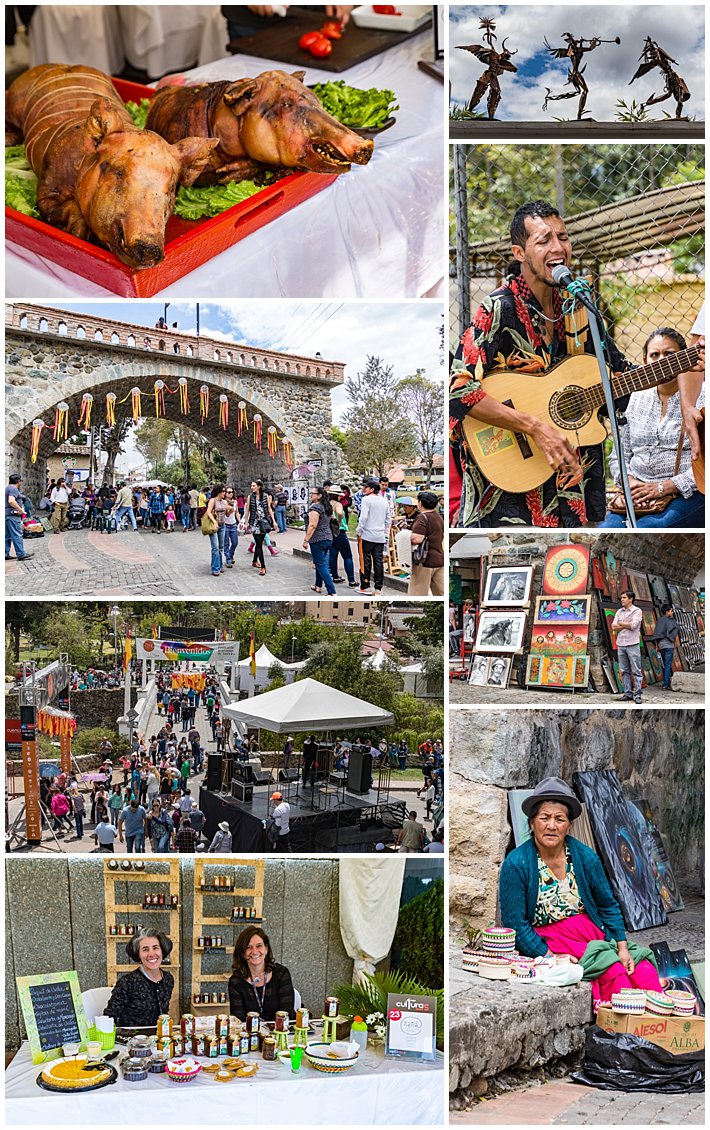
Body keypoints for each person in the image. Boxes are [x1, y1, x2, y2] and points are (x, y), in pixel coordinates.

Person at [450, 199, 632, 528]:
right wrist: (536, 427)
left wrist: (679, 369)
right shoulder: (498, 309)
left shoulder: (582, 308)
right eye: (544, 240)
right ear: (519, 253)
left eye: (563, 237)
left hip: (573, 490)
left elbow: (621, 382)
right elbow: (458, 390)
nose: (558, 247)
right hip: (509, 493)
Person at [499, 777, 665, 1007]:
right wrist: (548, 957)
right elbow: (516, 924)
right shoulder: (516, 864)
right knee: (612, 971)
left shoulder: (585, 857)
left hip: (588, 934)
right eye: (544, 818)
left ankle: (659, 1025)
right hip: (548, 939)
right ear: (532, 823)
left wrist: (622, 946)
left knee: (642, 968)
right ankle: (625, 1028)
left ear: (569, 825)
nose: (551, 825)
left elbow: (607, 904)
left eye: (560, 819)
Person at [600, 328, 705, 528]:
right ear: (645, 361)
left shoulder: (700, 398)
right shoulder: (637, 397)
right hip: (639, 496)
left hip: (686, 493)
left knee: (647, 529)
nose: (662, 362)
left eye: (669, 355)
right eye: (655, 355)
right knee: (608, 529)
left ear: (684, 358)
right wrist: (630, 484)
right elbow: (618, 456)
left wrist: (663, 487)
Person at [104, 929, 175, 1026]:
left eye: (155, 948)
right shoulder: (127, 982)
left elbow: (163, 1013)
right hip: (131, 1039)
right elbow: (109, 1017)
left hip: (159, 1038)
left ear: (162, 950)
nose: (151, 954)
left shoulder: (168, 979)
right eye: (145, 949)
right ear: (138, 954)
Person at [228, 926, 295, 1022]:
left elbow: (287, 1013)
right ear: (242, 953)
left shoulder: (281, 973)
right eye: (248, 947)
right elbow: (238, 1020)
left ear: (266, 949)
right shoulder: (236, 981)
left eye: (259, 946)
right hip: (250, 1033)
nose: (254, 951)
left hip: (278, 1032)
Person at [356, 479, 391, 595]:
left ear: (371, 489)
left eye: (366, 487)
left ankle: (365, 585)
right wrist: (385, 532)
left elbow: (363, 517)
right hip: (380, 535)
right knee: (378, 562)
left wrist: (359, 530)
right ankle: (378, 588)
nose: (364, 489)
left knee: (365, 560)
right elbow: (388, 520)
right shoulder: (384, 501)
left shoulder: (366, 500)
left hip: (367, 534)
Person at [408, 490, 445, 596]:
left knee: (417, 593)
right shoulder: (438, 517)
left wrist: (404, 535)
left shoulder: (422, 518)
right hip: (439, 560)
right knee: (440, 593)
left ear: (420, 503)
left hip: (424, 561)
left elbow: (417, 539)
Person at [303, 485, 336, 595]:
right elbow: (333, 519)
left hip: (317, 539)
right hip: (328, 537)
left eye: (313, 493)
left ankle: (332, 591)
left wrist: (306, 540)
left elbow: (312, 525)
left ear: (319, 496)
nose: (311, 495)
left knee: (321, 565)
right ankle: (318, 585)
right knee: (320, 563)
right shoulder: (327, 507)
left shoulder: (315, 508)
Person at [612, 590, 644, 704]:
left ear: (631, 599)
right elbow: (613, 626)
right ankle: (627, 693)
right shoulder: (619, 611)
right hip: (621, 643)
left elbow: (634, 626)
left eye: (624, 597)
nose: (622, 599)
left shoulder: (637, 611)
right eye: (621, 597)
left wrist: (621, 623)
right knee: (624, 670)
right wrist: (625, 624)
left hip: (632, 643)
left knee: (636, 669)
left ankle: (638, 693)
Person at [243, 479, 276, 576]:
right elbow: (247, 510)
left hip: (264, 522)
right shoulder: (250, 497)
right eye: (251, 485)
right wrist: (246, 523)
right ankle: (263, 566)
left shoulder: (266, 496)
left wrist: (274, 521)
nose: (251, 487)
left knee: (259, 543)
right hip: (254, 523)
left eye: (253, 486)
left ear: (259, 486)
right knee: (259, 543)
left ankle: (254, 561)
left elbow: (269, 509)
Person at [328, 488, 357, 586]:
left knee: (333, 555)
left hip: (330, 531)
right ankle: (351, 580)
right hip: (340, 531)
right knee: (347, 556)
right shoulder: (337, 504)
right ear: (337, 495)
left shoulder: (327, 504)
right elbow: (340, 513)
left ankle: (334, 576)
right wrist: (339, 521)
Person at [650, 603, 680, 690]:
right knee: (667, 664)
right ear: (667, 612)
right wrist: (675, 643)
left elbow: (656, 634)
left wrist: (657, 646)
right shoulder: (671, 621)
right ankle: (666, 683)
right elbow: (674, 632)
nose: (672, 612)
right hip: (669, 645)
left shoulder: (659, 621)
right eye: (671, 611)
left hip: (661, 645)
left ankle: (667, 681)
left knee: (664, 664)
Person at [5, 473, 33, 561]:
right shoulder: (13, 489)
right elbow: (11, 501)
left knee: (7, 536)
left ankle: (5, 553)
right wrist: (20, 509)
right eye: (20, 480)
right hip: (13, 515)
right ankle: (21, 553)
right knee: (17, 534)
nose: (21, 482)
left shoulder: (7, 488)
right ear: (18, 481)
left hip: (7, 514)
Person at [205, 483, 231, 576]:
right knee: (215, 547)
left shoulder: (224, 502)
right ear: (218, 491)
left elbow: (227, 515)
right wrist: (214, 522)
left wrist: (230, 509)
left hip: (222, 526)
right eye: (223, 491)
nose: (225, 493)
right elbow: (208, 512)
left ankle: (219, 565)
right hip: (213, 526)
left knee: (220, 547)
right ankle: (215, 568)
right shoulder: (213, 500)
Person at [223, 487, 239, 567]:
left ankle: (230, 554)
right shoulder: (224, 502)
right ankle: (228, 559)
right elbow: (227, 515)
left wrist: (240, 522)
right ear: (225, 493)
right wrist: (230, 508)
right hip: (225, 524)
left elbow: (237, 513)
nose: (231, 493)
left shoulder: (235, 501)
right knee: (226, 543)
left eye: (232, 492)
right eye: (229, 492)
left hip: (233, 524)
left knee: (235, 542)